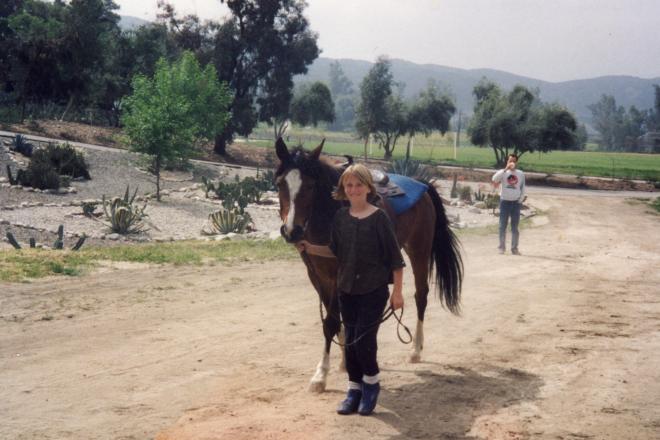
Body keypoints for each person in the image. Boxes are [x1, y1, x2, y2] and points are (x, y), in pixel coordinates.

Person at [295, 163, 405, 416]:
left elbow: (395, 260)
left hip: (373, 290)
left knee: (365, 342)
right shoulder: (341, 218)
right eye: (349, 185)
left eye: (358, 184)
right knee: (352, 343)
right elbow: (335, 250)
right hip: (347, 290)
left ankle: (371, 385)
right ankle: (353, 390)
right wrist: (310, 248)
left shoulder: (379, 218)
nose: (353, 189)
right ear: (343, 189)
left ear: (368, 188)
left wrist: (397, 293)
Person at [492, 153, 526, 255]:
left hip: (515, 203)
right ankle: (502, 247)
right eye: (510, 161)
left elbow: (523, 188)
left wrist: (520, 200)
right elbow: (494, 179)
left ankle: (514, 248)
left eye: (514, 161)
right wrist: (506, 169)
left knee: (514, 227)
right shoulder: (503, 173)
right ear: (507, 161)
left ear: (517, 162)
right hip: (504, 202)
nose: (512, 163)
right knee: (502, 226)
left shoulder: (520, 174)